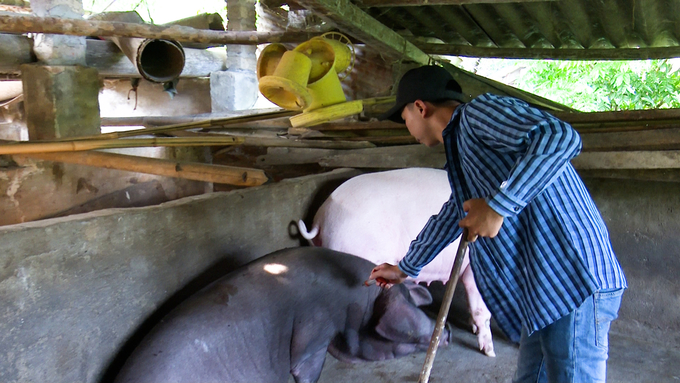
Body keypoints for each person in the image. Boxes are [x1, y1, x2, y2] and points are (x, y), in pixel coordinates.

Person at [367, 65, 627, 383]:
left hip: (573, 280)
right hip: (545, 289)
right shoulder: (464, 149)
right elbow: (456, 214)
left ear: (421, 107)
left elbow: (560, 136)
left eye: (404, 117)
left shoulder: (478, 115)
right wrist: (406, 268)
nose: (406, 127)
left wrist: (498, 206)